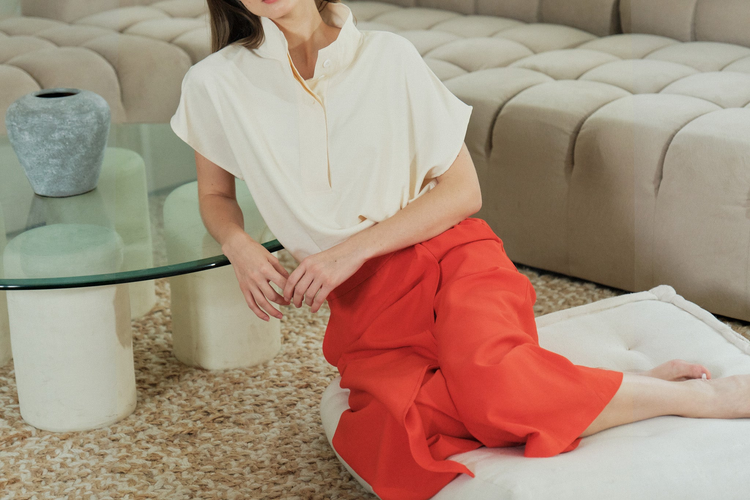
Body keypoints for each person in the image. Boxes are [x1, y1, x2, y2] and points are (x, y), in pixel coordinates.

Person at [169, 0, 750, 498]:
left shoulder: (388, 58)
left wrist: (349, 252)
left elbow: (463, 191)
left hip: (450, 259)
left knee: (497, 389)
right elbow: (216, 196)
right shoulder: (214, 83)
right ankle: (572, 384)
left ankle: (698, 398)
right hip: (367, 308)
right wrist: (238, 245)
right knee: (393, 433)